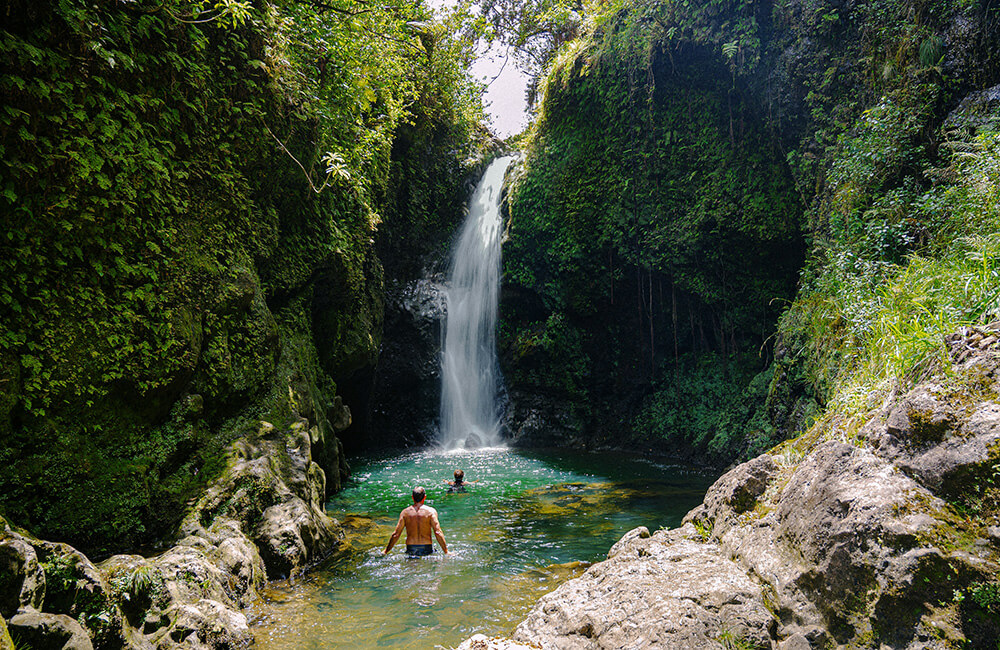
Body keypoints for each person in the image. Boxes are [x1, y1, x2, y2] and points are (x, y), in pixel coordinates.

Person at [383, 486, 448, 557]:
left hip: (411, 549)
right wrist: (446, 551)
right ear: (424, 497)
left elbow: (396, 534)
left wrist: (386, 551)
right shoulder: (431, 512)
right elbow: (437, 532)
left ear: (412, 497)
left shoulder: (405, 512)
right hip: (427, 548)